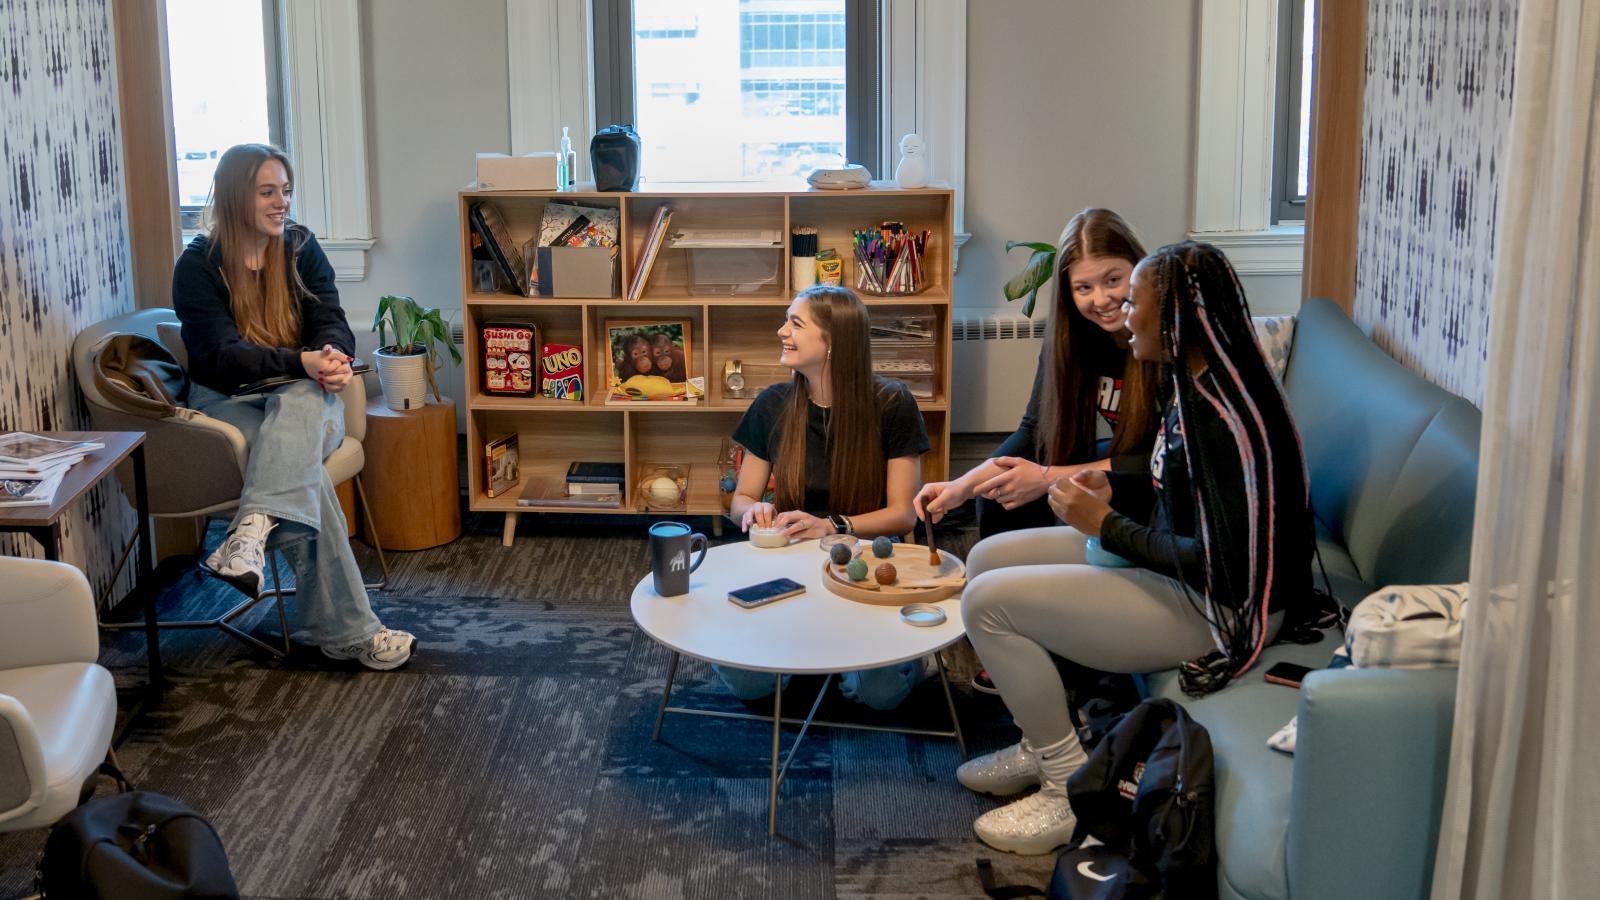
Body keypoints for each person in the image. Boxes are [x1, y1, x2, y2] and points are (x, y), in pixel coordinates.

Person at [953, 241, 1313, 854]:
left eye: (1134, 300)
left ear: (1175, 317)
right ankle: (1040, 743)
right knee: (985, 559)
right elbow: (1176, 493)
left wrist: (1105, 524)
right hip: (1183, 576)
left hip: (1221, 611)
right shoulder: (1195, 381)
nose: (1122, 312)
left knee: (987, 603)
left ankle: (1069, 787)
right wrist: (1116, 486)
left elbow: (1224, 569)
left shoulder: (1225, 419)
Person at [172, 143, 416, 671]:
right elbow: (220, 357)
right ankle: (351, 633)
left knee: (301, 412)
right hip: (226, 400)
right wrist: (301, 361)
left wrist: (330, 356)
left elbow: (330, 316)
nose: (281, 202)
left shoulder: (301, 248)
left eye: (285, 190)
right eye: (267, 192)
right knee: (303, 475)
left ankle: (251, 529)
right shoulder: (197, 266)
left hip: (302, 397)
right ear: (236, 197)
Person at [723, 285, 931, 709]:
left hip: (865, 566)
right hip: (790, 564)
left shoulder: (892, 403)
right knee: (747, 684)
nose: (782, 331)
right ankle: (810, 646)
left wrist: (834, 525)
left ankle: (901, 655)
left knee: (879, 695)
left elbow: (903, 516)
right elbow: (740, 498)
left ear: (833, 341)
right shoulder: (773, 404)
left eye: (796, 323)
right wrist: (754, 509)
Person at [916, 208, 1159, 541]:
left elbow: (1159, 462)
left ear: (1138, 269)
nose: (1101, 299)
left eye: (1113, 280)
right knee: (997, 496)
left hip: (1155, 484)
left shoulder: (1162, 343)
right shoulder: (1070, 339)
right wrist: (963, 486)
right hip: (1106, 465)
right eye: (1084, 287)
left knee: (1086, 472)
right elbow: (1033, 430)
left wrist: (1047, 477)